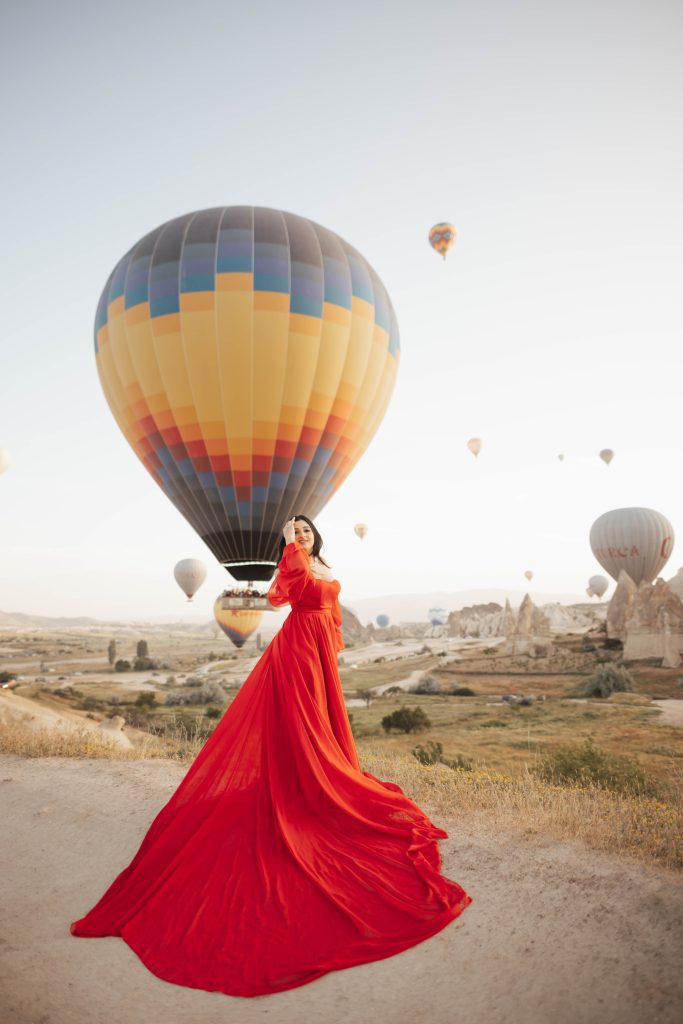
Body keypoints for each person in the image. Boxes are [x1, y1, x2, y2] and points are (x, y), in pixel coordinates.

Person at [70, 515, 471, 997]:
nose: (300, 536)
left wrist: (332, 638)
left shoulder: (321, 561)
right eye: (295, 531)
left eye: (305, 531)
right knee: (302, 722)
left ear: (316, 535)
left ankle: (314, 777)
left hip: (319, 646)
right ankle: (304, 784)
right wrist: (287, 547)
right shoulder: (294, 561)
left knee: (320, 721)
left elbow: (330, 605)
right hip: (299, 648)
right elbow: (284, 596)